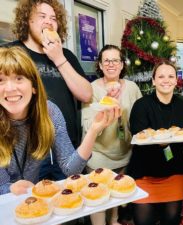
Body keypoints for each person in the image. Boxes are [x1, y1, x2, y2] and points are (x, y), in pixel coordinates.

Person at [0, 46, 119, 195]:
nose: (10, 88)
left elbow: (70, 169)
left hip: (30, 203)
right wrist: (9, 189)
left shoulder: (49, 111)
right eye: (1, 80)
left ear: (34, 86)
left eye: (19, 78)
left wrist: (94, 129)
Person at [2, 0, 92, 181]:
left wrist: (58, 58)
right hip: (26, 153)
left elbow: (86, 94)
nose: (49, 22)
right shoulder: (11, 53)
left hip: (65, 147)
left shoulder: (66, 55)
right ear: (28, 20)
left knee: (72, 201)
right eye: (42, 16)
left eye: (53, 18)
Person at [126, 60, 183, 225]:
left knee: (171, 220)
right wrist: (165, 142)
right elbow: (138, 136)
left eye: (171, 76)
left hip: (174, 173)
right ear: (153, 80)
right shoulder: (141, 106)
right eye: (161, 76)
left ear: (176, 80)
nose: (166, 80)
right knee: (143, 222)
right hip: (144, 173)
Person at [81, 44, 142, 225]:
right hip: (99, 155)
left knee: (116, 193)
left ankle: (114, 220)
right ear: (100, 65)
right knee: (97, 199)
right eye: (106, 61)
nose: (111, 64)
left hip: (124, 152)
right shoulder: (91, 89)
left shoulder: (132, 87)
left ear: (122, 64)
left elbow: (139, 119)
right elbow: (87, 126)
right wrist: (108, 104)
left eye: (115, 60)